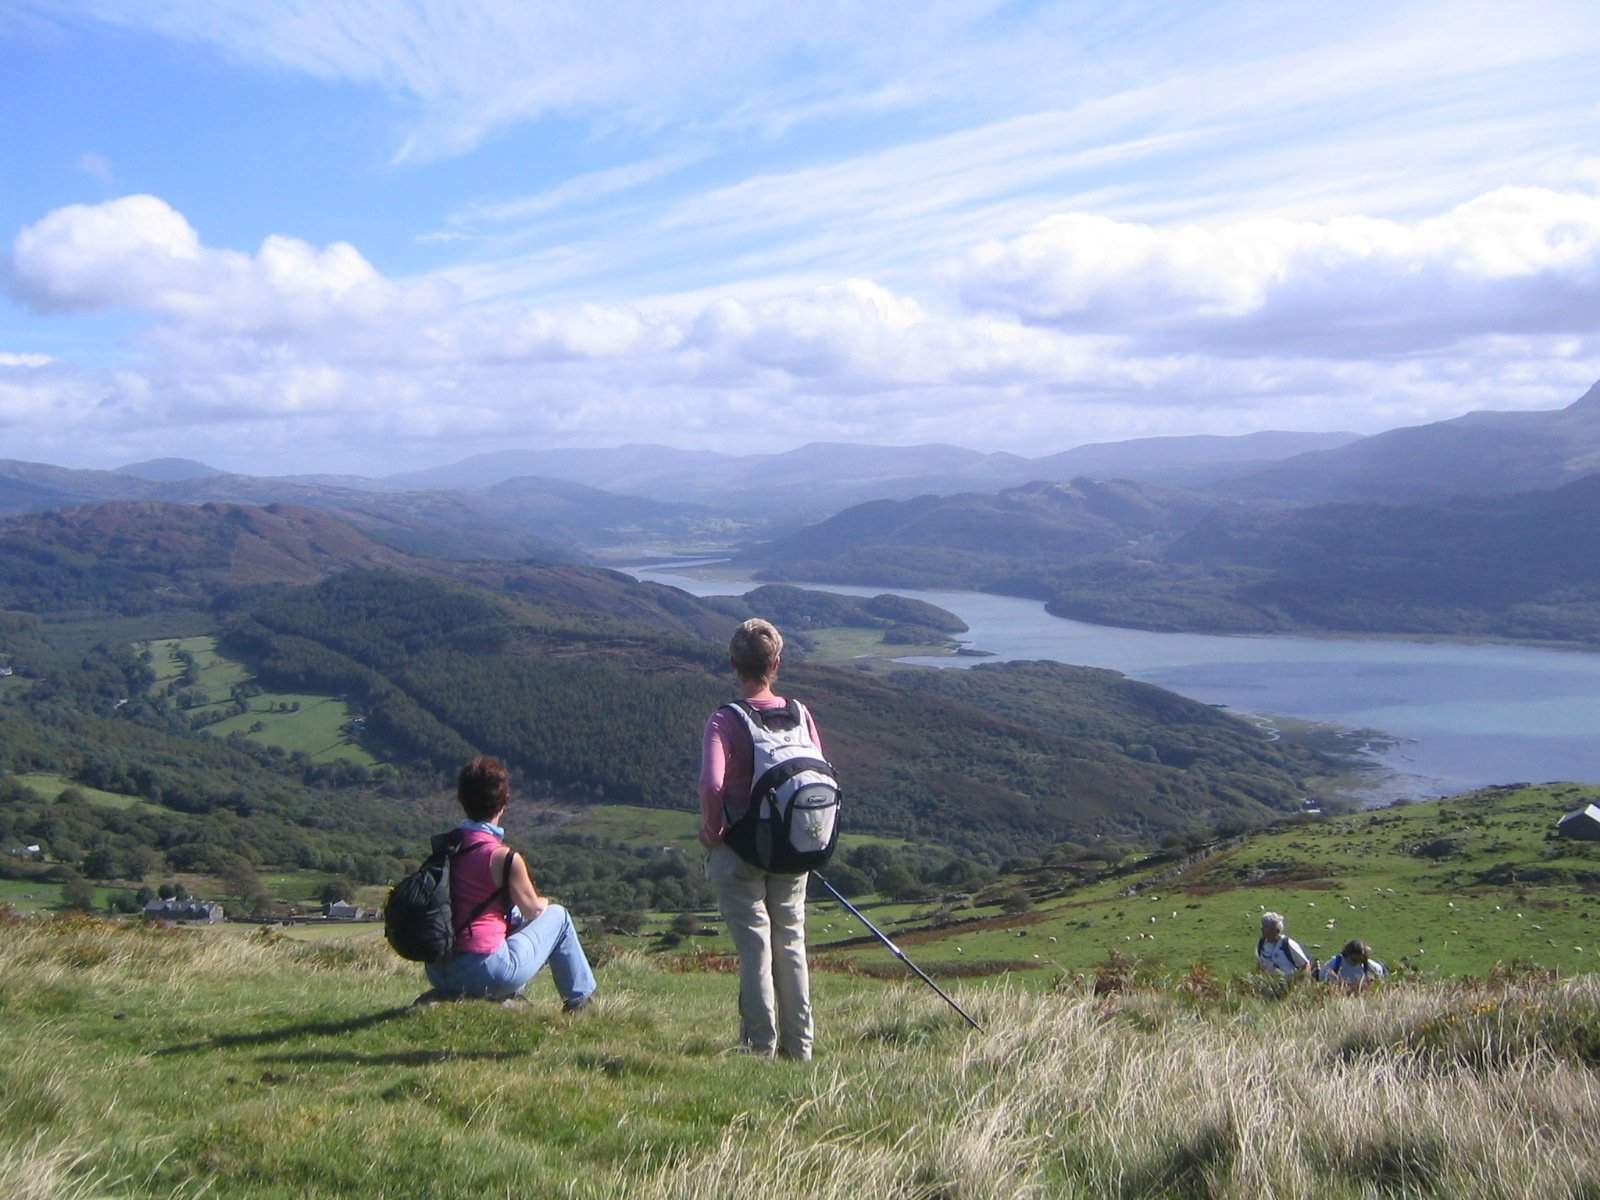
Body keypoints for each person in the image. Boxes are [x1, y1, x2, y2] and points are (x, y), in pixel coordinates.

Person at [699, 618, 819, 1061]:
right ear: (777, 663)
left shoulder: (726, 720)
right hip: (792, 849)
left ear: (734, 664)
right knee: (791, 943)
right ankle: (799, 1048)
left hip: (741, 850)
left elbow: (713, 786)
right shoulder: (801, 713)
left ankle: (759, 1047)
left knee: (755, 948)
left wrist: (712, 834)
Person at [419, 756, 597, 1009]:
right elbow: (533, 910)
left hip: (439, 971)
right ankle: (580, 1002)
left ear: (462, 800)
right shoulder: (504, 858)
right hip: (486, 972)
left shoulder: (445, 848)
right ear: (504, 803)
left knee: (507, 916)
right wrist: (546, 902)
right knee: (559, 916)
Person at [1256, 911, 1311, 978]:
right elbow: (1260, 964)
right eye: (1263, 926)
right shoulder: (1262, 944)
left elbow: (1305, 965)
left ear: (1276, 930)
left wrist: (1300, 984)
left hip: (1289, 985)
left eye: (1266, 927)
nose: (1262, 929)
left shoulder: (1287, 944)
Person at [1317, 939, 1386, 989]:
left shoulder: (1372, 967)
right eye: (1354, 960)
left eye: (1361, 960)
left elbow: (1379, 980)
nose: (1358, 962)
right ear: (1346, 955)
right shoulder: (1334, 964)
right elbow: (1322, 978)